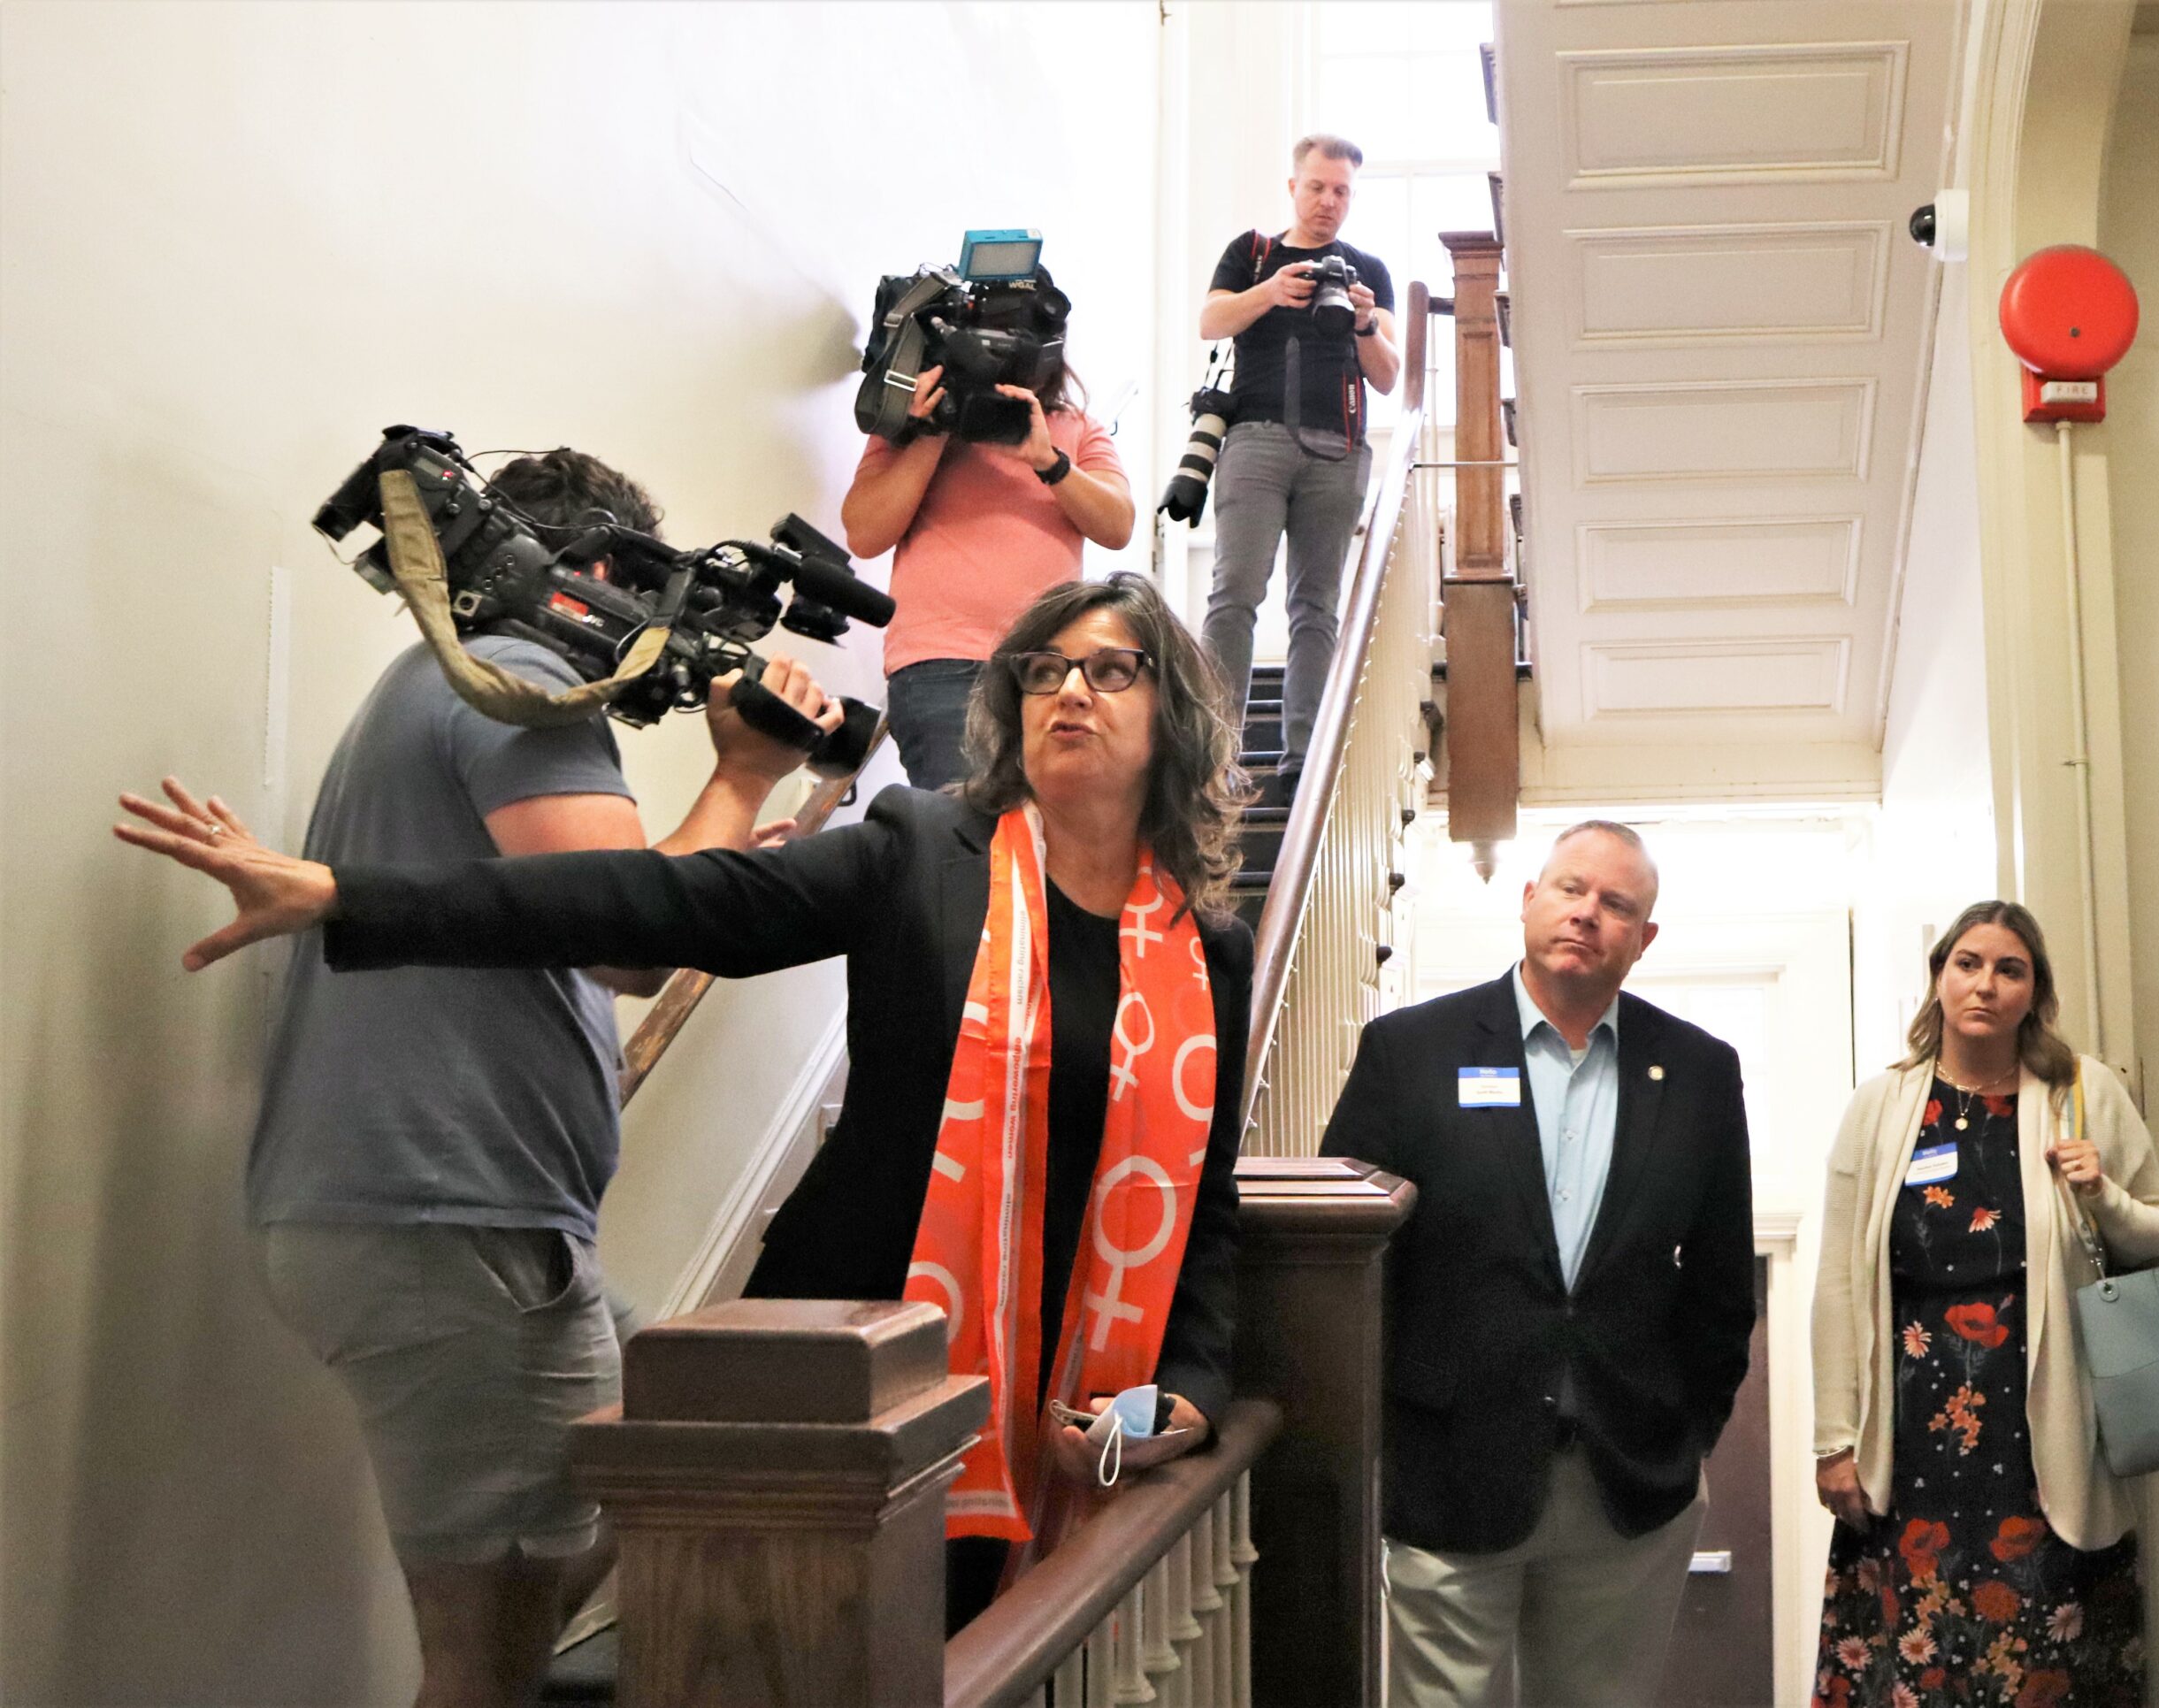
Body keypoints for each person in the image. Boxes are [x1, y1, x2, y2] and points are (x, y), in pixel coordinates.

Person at [114, 570, 1250, 1638]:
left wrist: (1186, 1393)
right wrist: (348, 896)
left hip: (1075, 1412)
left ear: (1172, 712)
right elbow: (657, 900)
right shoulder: (922, 854)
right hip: (861, 1376)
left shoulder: (1208, 950)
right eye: (1041, 669)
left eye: (1110, 670)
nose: (1067, 691)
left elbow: (1200, 1205)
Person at [144, 448, 838, 1708]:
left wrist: (732, 833)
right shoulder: (521, 687)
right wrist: (739, 777)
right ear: (598, 578)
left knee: (695, 1432)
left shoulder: (453, 681)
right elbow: (630, 934)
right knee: (487, 1659)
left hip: (433, 1211)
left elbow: (579, 906)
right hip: (446, 1214)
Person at [1322, 820, 1753, 1708]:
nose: (1587, 913)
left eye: (1617, 904)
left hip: (1625, 1481)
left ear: (1644, 937)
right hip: (1446, 1472)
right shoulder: (1409, 1051)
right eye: (1570, 889)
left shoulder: (1701, 1071)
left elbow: (1718, 1285)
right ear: (1528, 900)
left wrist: (1683, 1429)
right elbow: (1347, 1266)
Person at [1811, 901, 2159, 1708]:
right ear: (1939, 977)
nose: (1986, 983)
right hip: (1910, 1439)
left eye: (2010, 969)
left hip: (2047, 1427)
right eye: (1968, 963)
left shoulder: (2085, 1091)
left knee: (2045, 1657)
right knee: (1916, 1660)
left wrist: (2104, 1195)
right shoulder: (1881, 1107)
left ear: (2034, 990)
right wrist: (1834, 1439)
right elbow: (1837, 1278)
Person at [842, 322, 1136, 792]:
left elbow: (1117, 524)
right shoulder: (904, 425)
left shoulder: (1076, 428)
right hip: (941, 667)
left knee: (1050, 843)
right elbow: (865, 533)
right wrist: (934, 431)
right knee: (964, 844)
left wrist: (1050, 461)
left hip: (1051, 668)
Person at [1198, 132, 1399, 798]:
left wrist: (1366, 323)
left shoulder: (1367, 270)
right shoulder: (1252, 253)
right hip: (1254, 439)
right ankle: (1217, 754)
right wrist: (1271, 291)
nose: (1328, 201)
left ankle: (1304, 759)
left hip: (1337, 450)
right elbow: (1210, 321)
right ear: (1293, 186)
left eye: (1342, 190)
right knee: (1234, 595)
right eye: (1317, 186)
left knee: (1317, 606)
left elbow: (1390, 377)